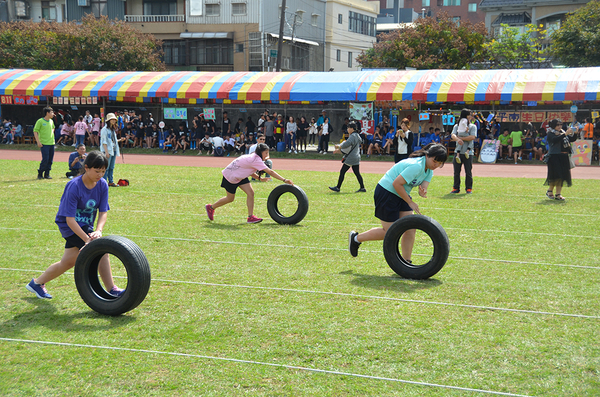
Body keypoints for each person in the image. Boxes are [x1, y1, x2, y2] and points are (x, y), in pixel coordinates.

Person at [25, 151, 124, 299]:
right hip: (68, 225)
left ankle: (37, 283)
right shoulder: (74, 186)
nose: (100, 175)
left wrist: (98, 230)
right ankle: (112, 289)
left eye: (103, 171)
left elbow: (103, 212)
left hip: (85, 226)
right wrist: (87, 239)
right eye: (97, 171)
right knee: (101, 249)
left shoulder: (102, 184)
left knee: (68, 262)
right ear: (87, 167)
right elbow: (69, 219)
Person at [348, 143, 448, 258]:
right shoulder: (416, 166)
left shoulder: (429, 170)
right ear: (427, 155)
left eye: (440, 163)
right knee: (390, 232)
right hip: (387, 191)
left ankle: (406, 262)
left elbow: (424, 186)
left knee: (410, 227)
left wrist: (422, 192)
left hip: (401, 194)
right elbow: (396, 183)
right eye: (435, 161)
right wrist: (410, 202)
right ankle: (356, 238)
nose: (436, 165)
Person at [205, 143, 293, 224]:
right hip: (230, 176)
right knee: (230, 198)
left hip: (240, 176)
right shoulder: (255, 159)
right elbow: (271, 172)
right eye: (265, 153)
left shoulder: (255, 157)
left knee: (251, 193)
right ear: (260, 152)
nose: (267, 155)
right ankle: (211, 207)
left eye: (267, 153)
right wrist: (284, 180)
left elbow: (249, 170)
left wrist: (260, 178)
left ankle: (250, 217)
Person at [544, 119, 577, 201]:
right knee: (555, 176)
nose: (559, 126)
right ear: (553, 125)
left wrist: (575, 132)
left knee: (562, 176)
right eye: (557, 125)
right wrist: (565, 133)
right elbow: (555, 139)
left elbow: (571, 139)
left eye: (560, 125)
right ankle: (550, 191)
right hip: (554, 157)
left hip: (564, 156)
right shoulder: (550, 133)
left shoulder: (562, 132)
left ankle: (558, 194)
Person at [329, 121, 365, 193]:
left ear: (352, 128)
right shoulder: (357, 135)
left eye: (348, 128)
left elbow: (347, 144)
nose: (347, 129)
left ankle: (338, 187)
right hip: (356, 156)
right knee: (357, 173)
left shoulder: (352, 136)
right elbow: (360, 141)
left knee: (342, 171)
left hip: (351, 158)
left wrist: (339, 146)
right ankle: (362, 188)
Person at [450, 110, 476, 194]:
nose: (471, 117)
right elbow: (453, 135)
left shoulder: (472, 126)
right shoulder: (457, 126)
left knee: (468, 172)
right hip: (457, 152)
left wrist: (461, 138)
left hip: (468, 153)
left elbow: (472, 137)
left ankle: (469, 188)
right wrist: (457, 139)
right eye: (470, 115)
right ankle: (455, 188)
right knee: (456, 172)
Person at [99, 113, 125, 187]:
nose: (113, 121)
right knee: (106, 167)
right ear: (108, 120)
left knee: (111, 167)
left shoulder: (112, 130)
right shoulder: (104, 129)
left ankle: (111, 181)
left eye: (114, 119)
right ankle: (104, 182)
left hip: (113, 150)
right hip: (107, 151)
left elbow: (113, 140)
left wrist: (120, 140)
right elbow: (104, 141)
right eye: (112, 119)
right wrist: (106, 152)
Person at [33, 106, 56, 180]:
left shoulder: (51, 121)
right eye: (52, 112)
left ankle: (47, 174)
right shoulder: (40, 121)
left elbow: (53, 127)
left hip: (51, 143)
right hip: (44, 143)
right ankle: (40, 173)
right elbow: (35, 131)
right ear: (47, 113)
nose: (53, 114)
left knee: (50, 159)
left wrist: (52, 132)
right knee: (45, 159)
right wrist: (38, 142)